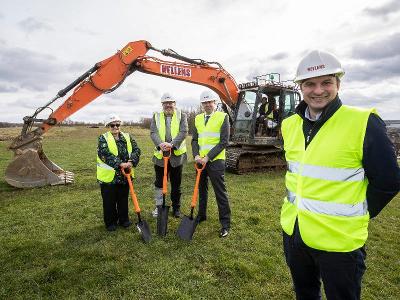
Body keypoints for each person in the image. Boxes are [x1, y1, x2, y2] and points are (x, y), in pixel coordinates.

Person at [280, 50, 400, 299]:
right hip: (294, 233)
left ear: (338, 84)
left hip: (340, 242)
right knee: (305, 294)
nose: (318, 90)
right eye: (310, 84)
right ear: (301, 87)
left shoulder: (364, 122)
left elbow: (389, 181)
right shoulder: (289, 125)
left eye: (326, 82)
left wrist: (361, 211)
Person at [192, 90, 231, 238]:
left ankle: (225, 224)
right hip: (200, 161)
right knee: (201, 190)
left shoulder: (223, 117)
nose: (207, 105)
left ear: (215, 103)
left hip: (215, 161)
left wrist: (207, 157)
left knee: (220, 193)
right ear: (202, 104)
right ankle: (202, 215)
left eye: (210, 102)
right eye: (205, 102)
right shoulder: (197, 118)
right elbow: (195, 140)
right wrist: (196, 155)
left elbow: (224, 142)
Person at [97, 114, 141, 231]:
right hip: (109, 178)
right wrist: (120, 164)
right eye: (112, 125)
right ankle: (110, 223)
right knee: (109, 201)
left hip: (125, 175)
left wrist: (131, 162)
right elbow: (104, 154)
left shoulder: (127, 137)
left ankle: (124, 220)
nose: (115, 127)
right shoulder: (103, 138)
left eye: (117, 124)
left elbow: (137, 150)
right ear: (108, 126)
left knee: (123, 199)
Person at [150, 93, 188, 218]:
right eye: (165, 103)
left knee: (176, 184)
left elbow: (184, 132)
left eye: (170, 102)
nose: (168, 105)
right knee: (159, 184)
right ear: (162, 105)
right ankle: (159, 206)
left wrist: (172, 144)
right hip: (161, 156)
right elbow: (153, 132)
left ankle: (176, 208)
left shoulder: (182, 115)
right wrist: (161, 144)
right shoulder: (156, 116)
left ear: (174, 103)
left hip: (177, 156)